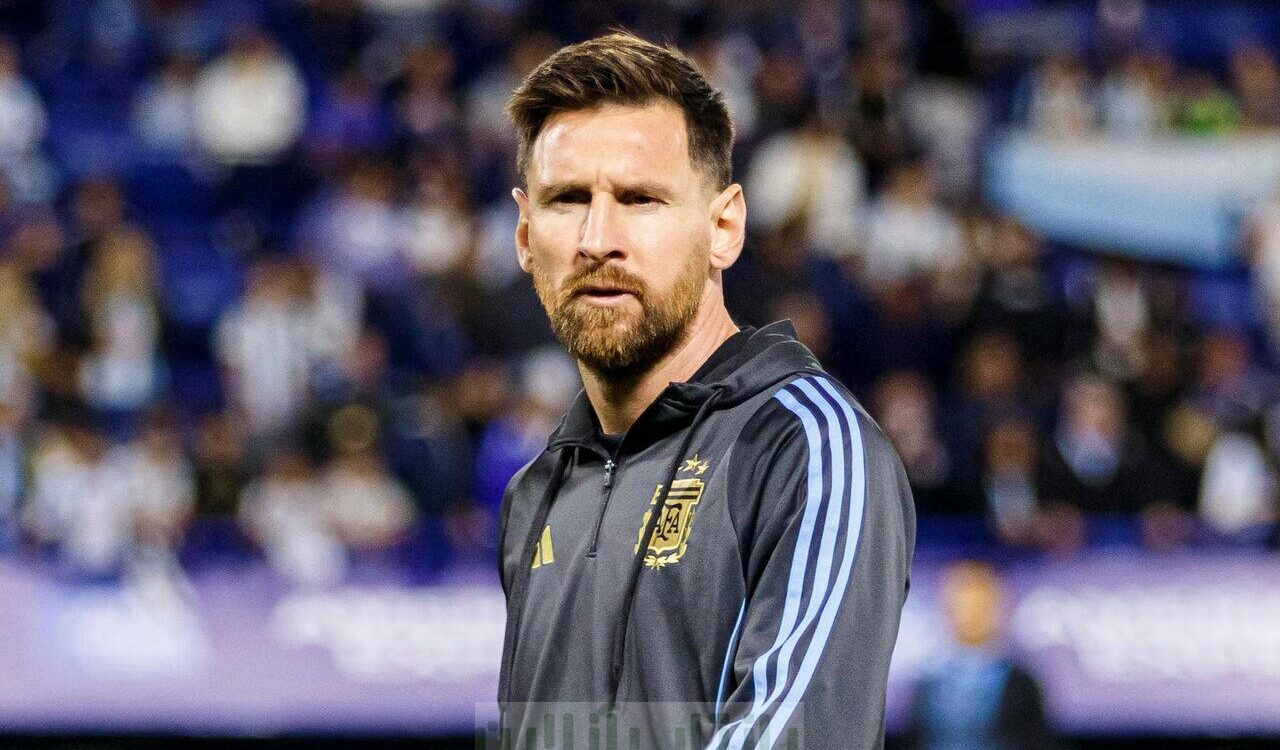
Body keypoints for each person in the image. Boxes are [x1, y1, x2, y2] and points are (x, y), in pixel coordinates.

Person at [496, 33, 916, 749]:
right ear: (526, 235)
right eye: (567, 200)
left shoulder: (806, 447)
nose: (598, 238)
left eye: (640, 199)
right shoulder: (537, 490)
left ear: (724, 227)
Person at [904, 560, 1057, 750]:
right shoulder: (927, 685)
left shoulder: (1022, 685)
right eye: (961, 605)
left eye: (978, 606)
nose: (968, 616)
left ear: (997, 609)